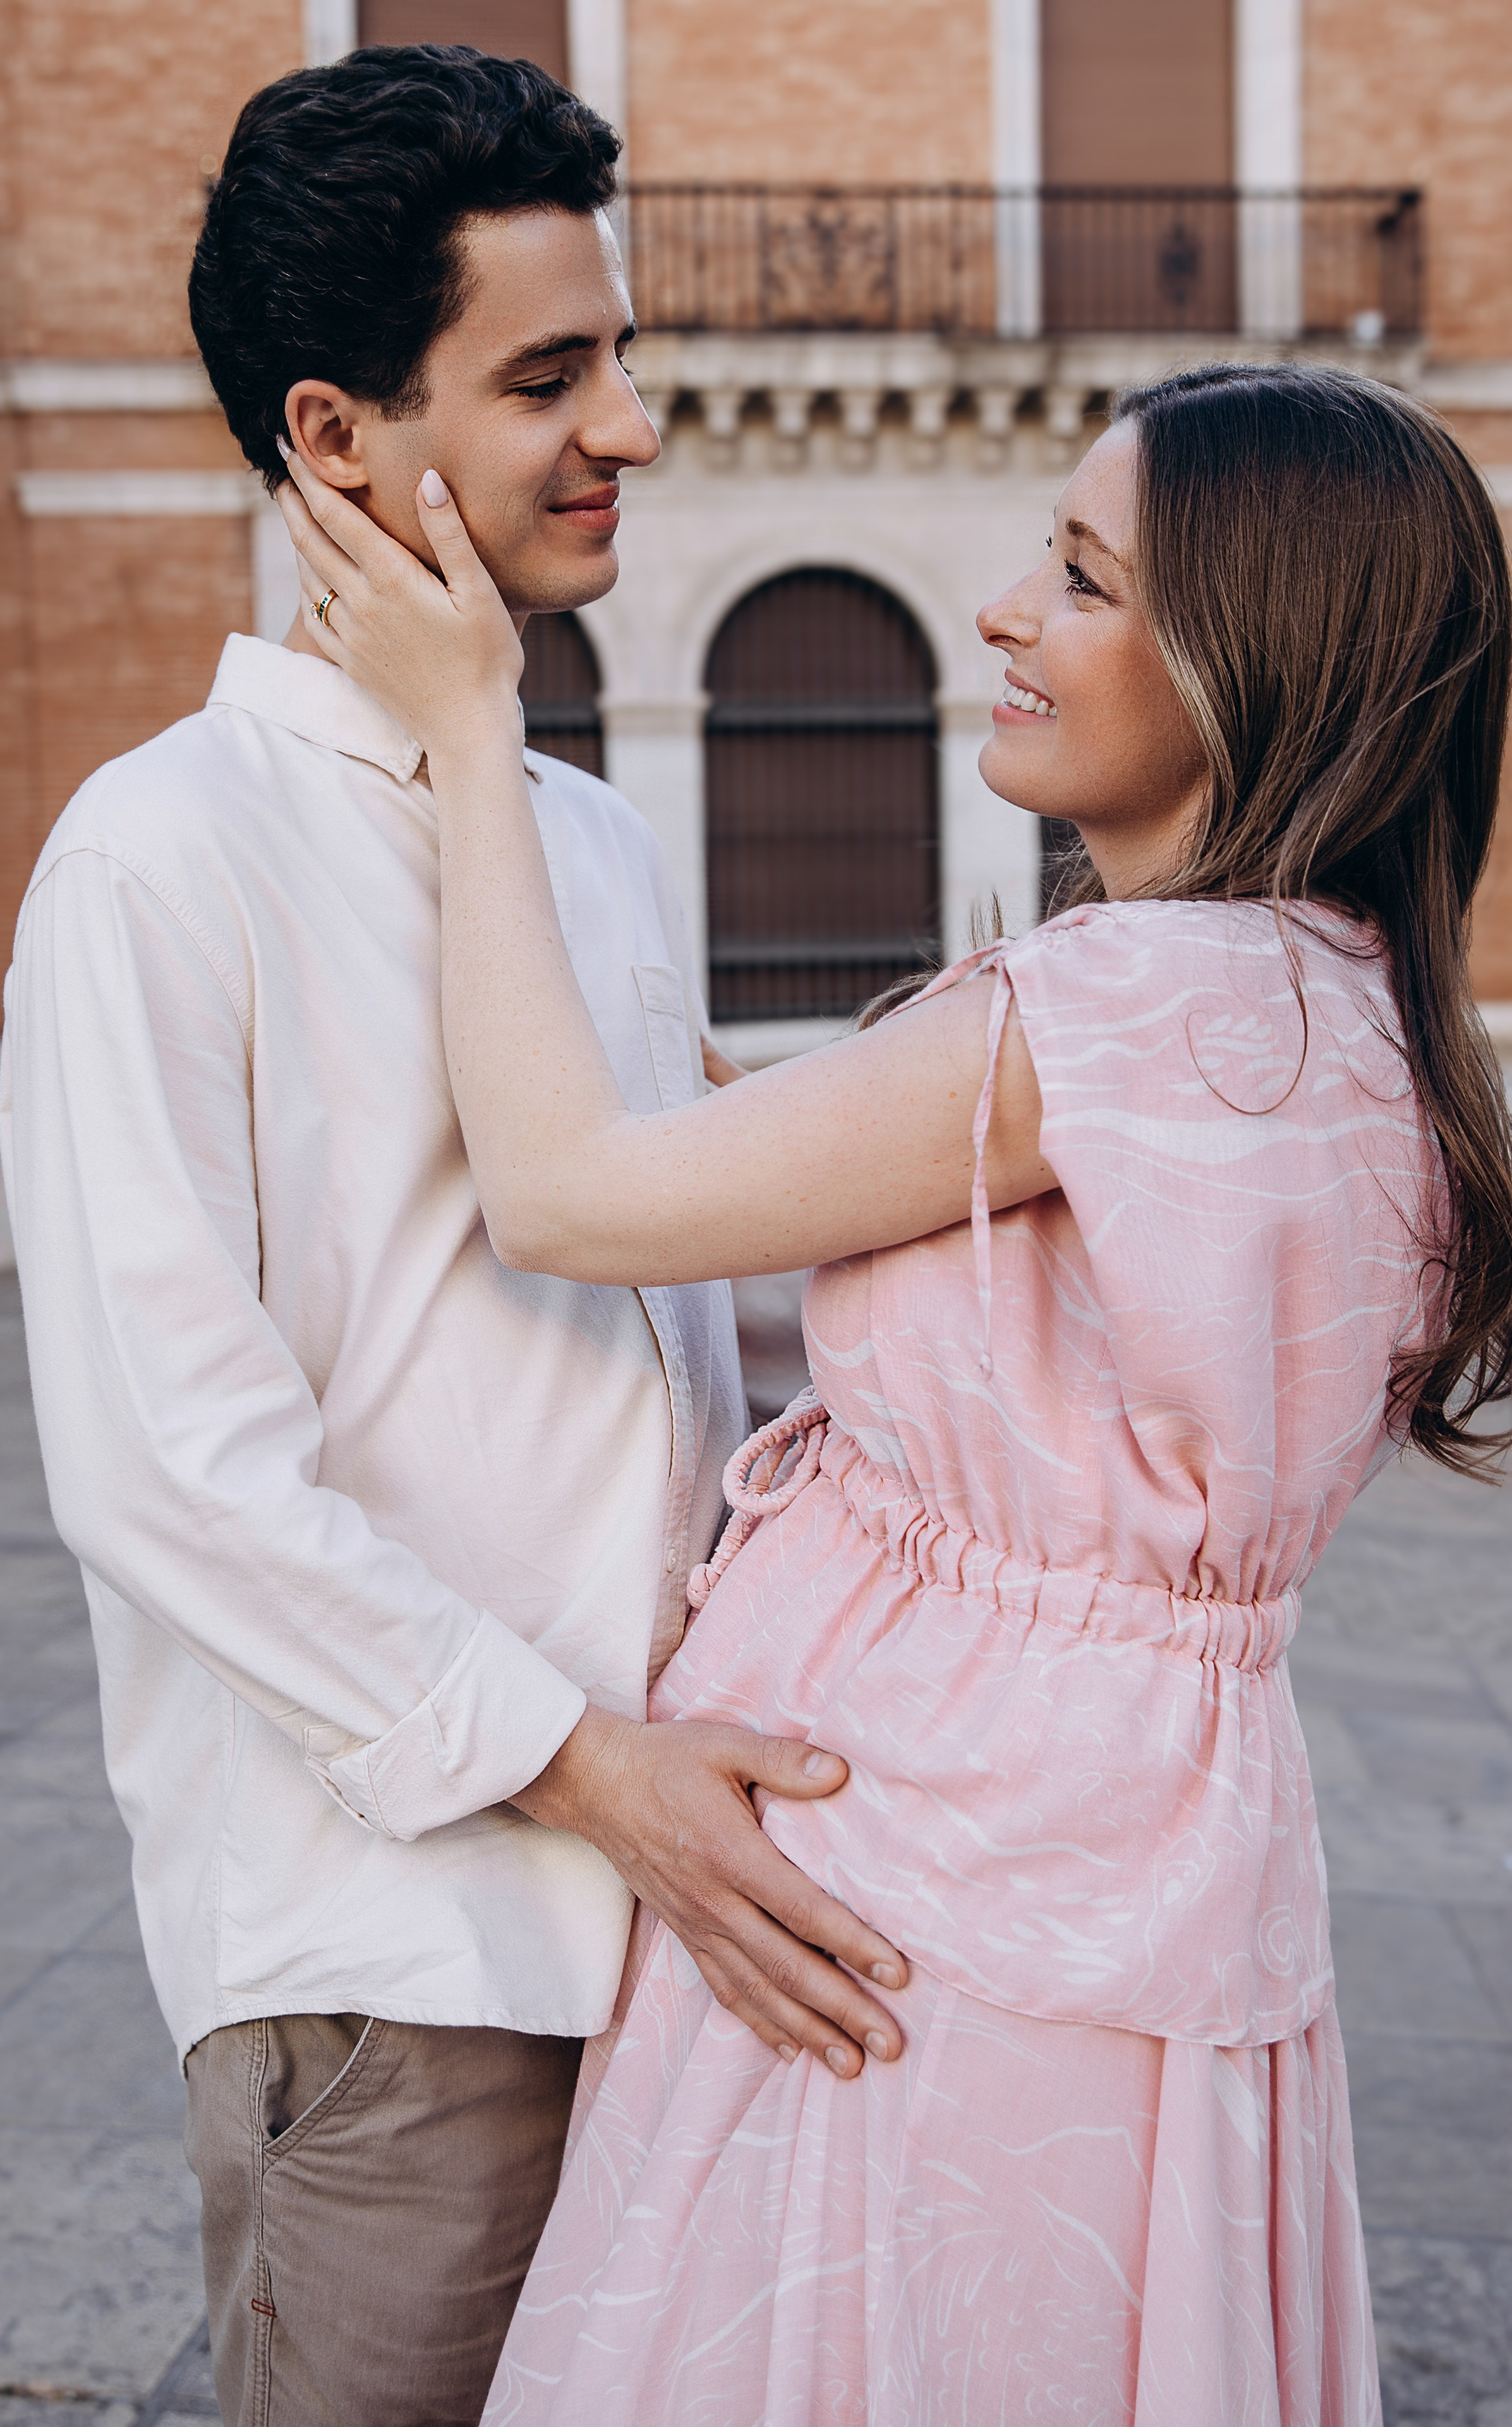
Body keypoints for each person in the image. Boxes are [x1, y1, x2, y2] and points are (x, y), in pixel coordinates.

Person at [277, 358, 1512, 2424]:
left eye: (1088, 576)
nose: (1008, 613)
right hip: (1134, 1857)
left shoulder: (1120, 1005)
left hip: (925, 1877)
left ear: (1252, 667)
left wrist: (478, 733)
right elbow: (976, 1307)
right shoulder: (1341, 1010)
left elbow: (573, 1199)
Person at [0, 45, 912, 2427]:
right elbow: (167, 1470)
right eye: (546, 375)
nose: (631, 420)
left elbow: (664, 1337)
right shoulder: (152, 851)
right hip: (394, 1966)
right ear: (333, 440)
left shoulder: (589, 842)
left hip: (683, 1932)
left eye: (616, 351)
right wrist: (589, 1766)